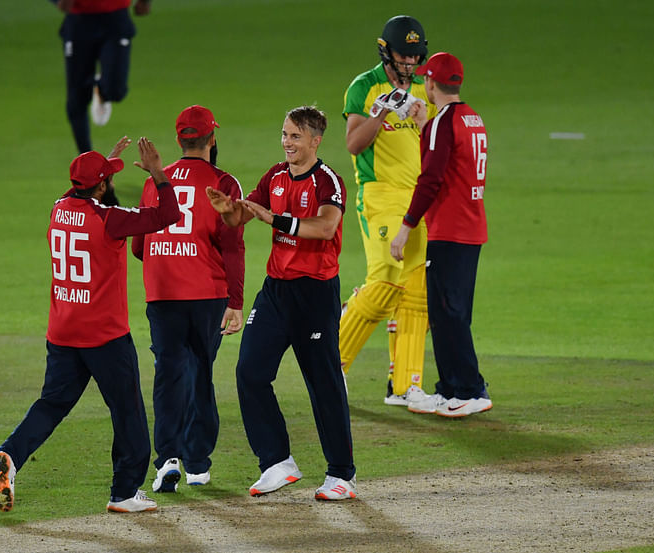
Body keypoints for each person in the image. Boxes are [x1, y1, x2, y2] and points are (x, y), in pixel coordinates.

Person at [0, 137, 181, 513]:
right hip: (105, 337)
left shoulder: (58, 209)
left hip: (62, 333)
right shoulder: (110, 220)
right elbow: (167, 215)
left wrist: (100, 168)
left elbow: (76, 196)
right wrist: (158, 172)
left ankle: (10, 456)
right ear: (102, 186)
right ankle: (124, 492)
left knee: (52, 403)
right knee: (128, 413)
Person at [206, 106, 357, 501]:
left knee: (323, 383)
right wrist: (229, 212)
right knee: (250, 372)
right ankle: (277, 462)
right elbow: (245, 215)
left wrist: (276, 219)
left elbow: (325, 227)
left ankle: (341, 474)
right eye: (284, 135)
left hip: (315, 293)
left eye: (294, 136)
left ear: (314, 140)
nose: (286, 142)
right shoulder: (274, 175)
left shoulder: (328, 181)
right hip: (276, 292)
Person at [131, 105, 245, 493]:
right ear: (212, 139)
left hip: (162, 292)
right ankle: (197, 463)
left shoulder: (154, 182)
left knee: (168, 373)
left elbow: (138, 247)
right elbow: (233, 246)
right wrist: (236, 299)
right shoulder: (224, 182)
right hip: (206, 293)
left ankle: (167, 460)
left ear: (179, 139)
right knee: (200, 372)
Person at [339, 15, 438, 407]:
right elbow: (352, 144)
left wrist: (422, 119)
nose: (410, 62)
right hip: (379, 195)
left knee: (415, 291)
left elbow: (432, 145)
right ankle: (334, 364)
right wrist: (380, 115)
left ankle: (406, 386)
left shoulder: (423, 89)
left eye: (416, 55)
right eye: (404, 54)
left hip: (417, 199)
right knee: (383, 284)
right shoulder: (365, 86)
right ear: (386, 51)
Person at [390, 52, 492, 418]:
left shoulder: (443, 123)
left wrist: (405, 229)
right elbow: (452, 163)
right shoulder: (471, 119)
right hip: (470, 226)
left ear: (431, 83)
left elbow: (430, 178)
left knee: (448, 313)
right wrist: (424, 126)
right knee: (451, 311)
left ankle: (469, 389)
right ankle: (450, 388)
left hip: (449, 230)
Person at [51, 0, 152, 153]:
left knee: (116, 90)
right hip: (78, 22)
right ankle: (86, 160)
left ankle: (101, 89)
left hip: (115, 18)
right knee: (76, 99)